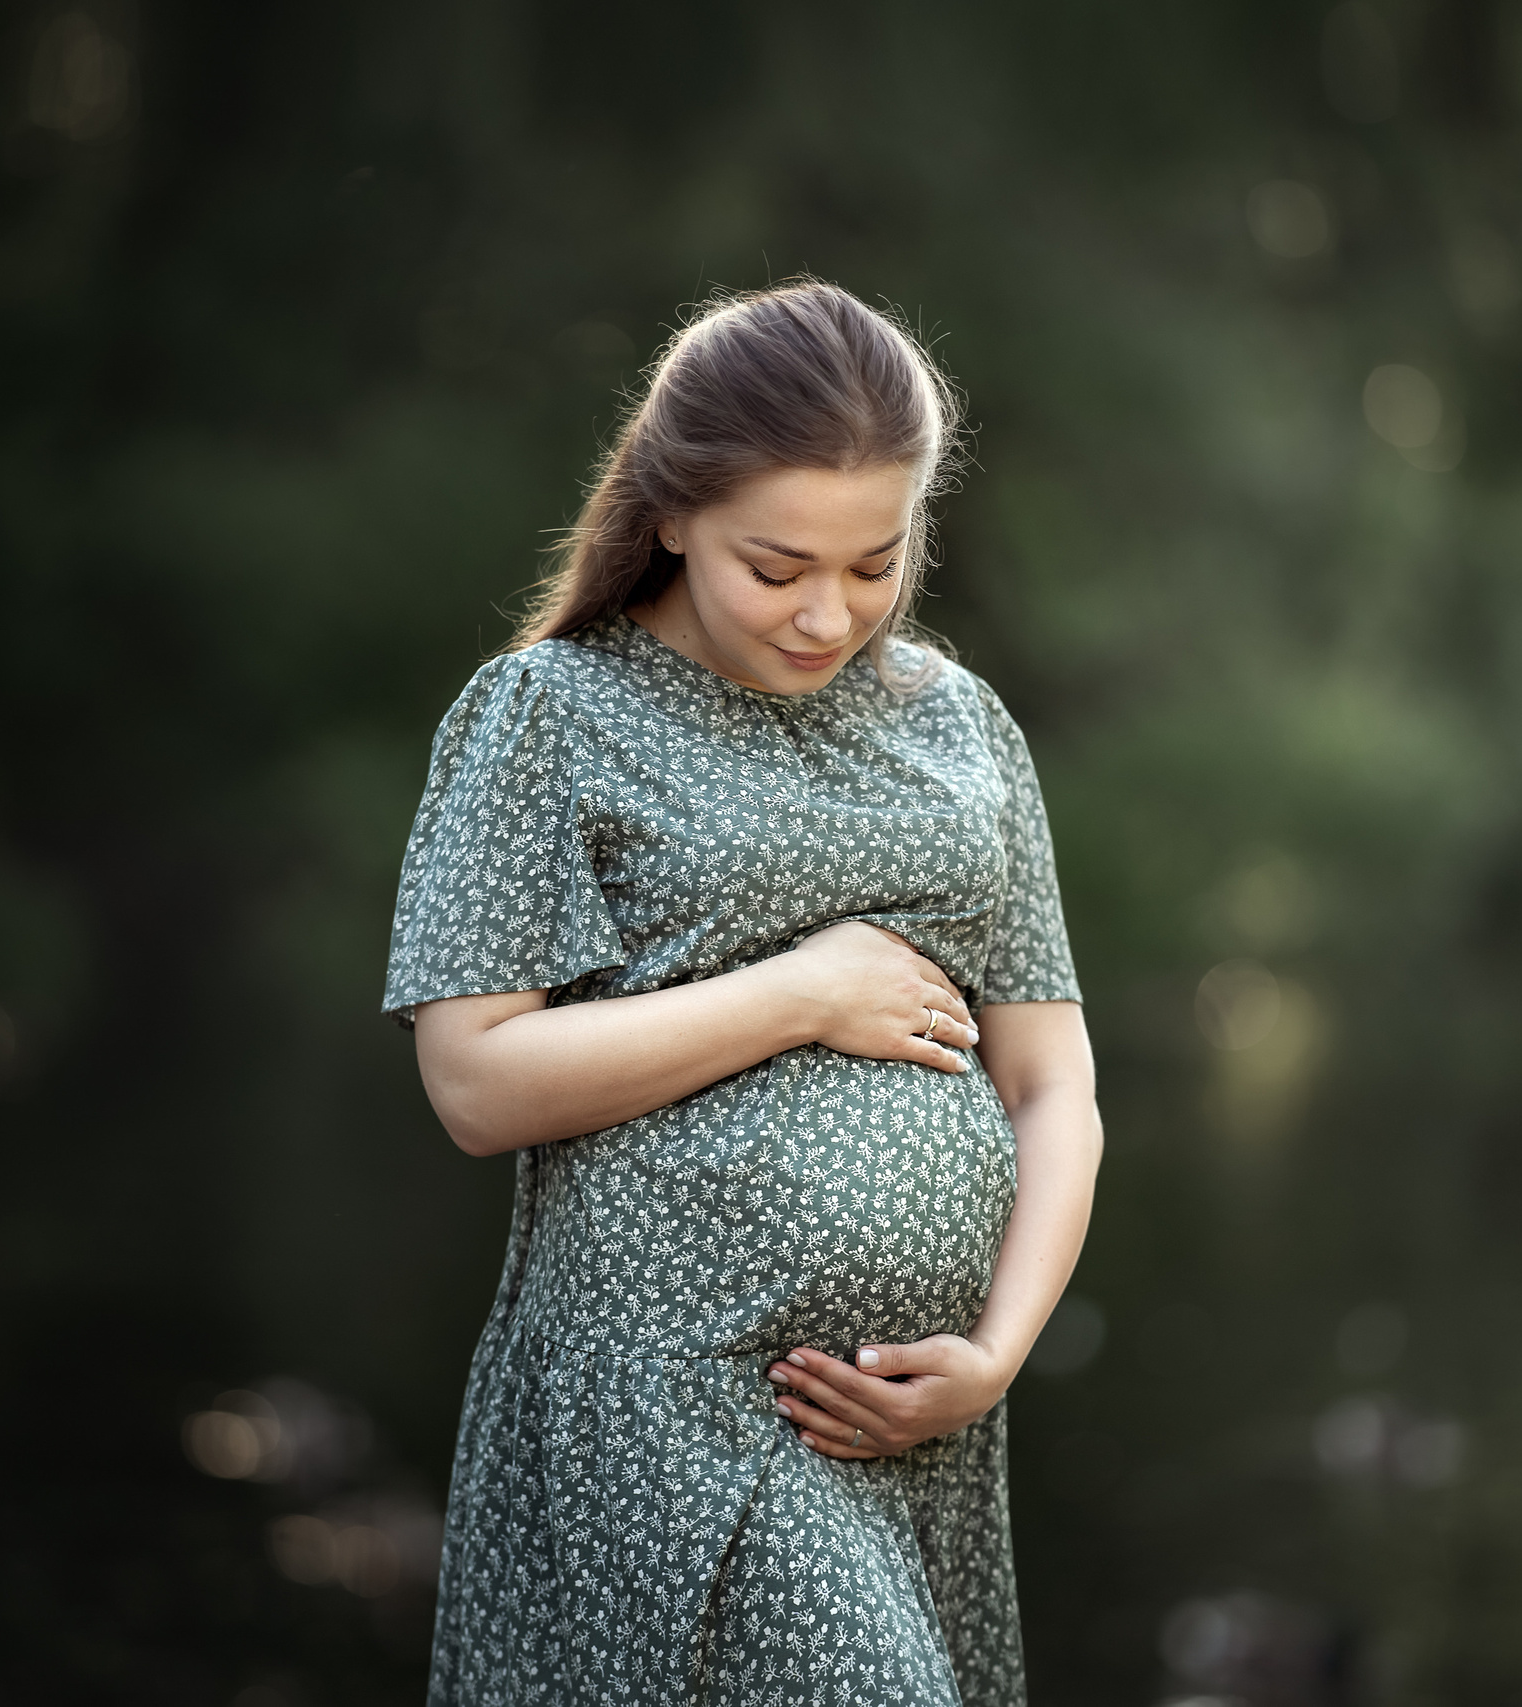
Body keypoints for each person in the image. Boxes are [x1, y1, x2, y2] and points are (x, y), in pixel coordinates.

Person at [381, 280, 1100, 1707]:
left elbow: (1054, 1083)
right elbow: (475, 1084)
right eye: (777, 567)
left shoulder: (960, 729)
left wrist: (995, 1354)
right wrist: (800, 992)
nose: (828, 612)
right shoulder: (550, 715)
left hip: (918, 1423)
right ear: (670, 515)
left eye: (874, 563)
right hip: (678, 1408)